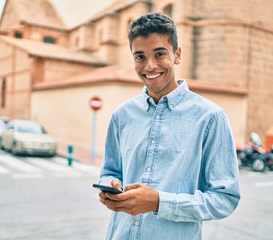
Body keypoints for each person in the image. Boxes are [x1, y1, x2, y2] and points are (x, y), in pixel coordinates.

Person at [98, 12, 240, 240]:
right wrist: (109, 186)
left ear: (177, 54)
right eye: (140, 57)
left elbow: (225, 199)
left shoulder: (211, 118)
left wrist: (158, 202)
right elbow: (110, 171)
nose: (150, 66)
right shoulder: (121, 115)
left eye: (159, 54)